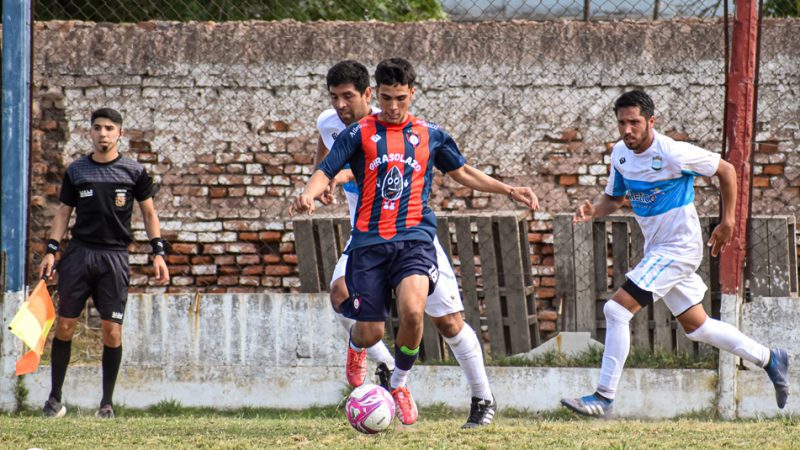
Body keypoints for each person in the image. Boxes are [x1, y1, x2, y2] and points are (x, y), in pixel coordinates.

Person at [291, 58, 538, 425]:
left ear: (367, 94)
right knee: (342, 295)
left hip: (413, 237)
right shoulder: (337, 127)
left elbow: (459, 170)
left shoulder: (414, 131)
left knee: (446, 321)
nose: (340, 106)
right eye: (334, 98)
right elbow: (326, 161)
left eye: (347, 98)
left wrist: (508, 188)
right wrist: (318, 187)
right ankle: (385, 366)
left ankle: (480, 398)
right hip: (368, 237)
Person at [560, 90, 789, 418]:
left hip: (679, 248)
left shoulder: (672, 152)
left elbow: (726, 170)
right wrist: (593, 211)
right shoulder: (620, 156)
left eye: (634, 122)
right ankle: (770, 359)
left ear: (651, 121)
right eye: (621, 123)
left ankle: (604, 397)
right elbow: (615, 198)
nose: (627, 130)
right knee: (698, 326)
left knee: (616, 310)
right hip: (658, 249)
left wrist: (728, 221)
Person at [38, 108, 170, 419]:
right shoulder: (77, 170)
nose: (103, 134)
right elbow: (63, 213)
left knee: (112, 331)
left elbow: (149, 214)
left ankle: (106, 404)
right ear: (91, 132)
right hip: (80, 254)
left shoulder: (134, 172)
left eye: (110, 128)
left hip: (114, 257)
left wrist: (158, 252)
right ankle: (54, 400)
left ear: (119, 134)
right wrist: (51, 250)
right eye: (97, 127)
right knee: (65, 325)